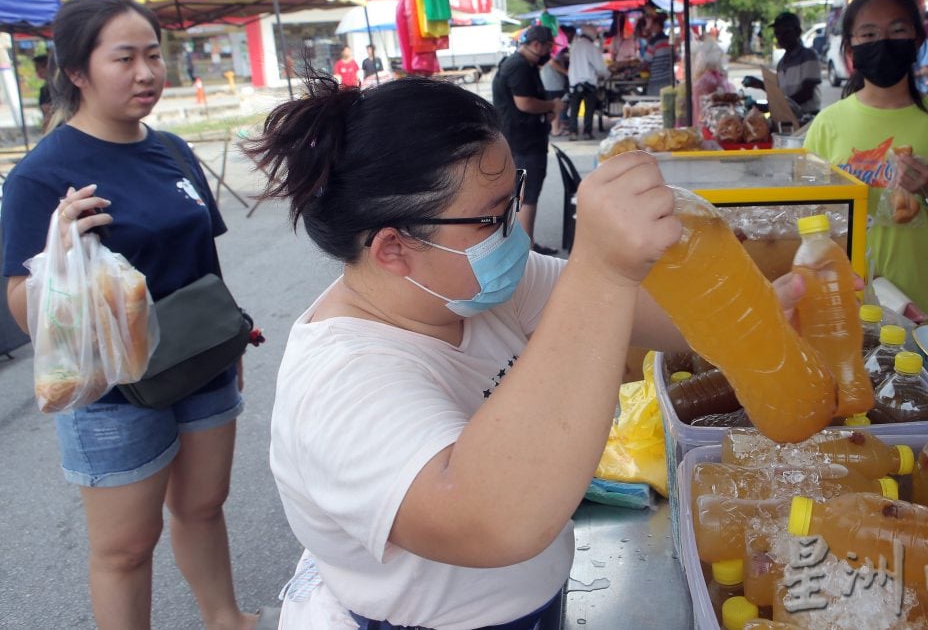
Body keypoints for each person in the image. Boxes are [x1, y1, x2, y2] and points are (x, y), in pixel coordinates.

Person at [241, 73, 808, 628]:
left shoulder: (475, 289)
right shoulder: (340, 385)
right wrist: (603, 268)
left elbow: (658, 318)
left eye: (513, 199)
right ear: (393, 248)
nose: (514, 233)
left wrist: (763, 310)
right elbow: (493, 520)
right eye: (491, 216)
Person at [0, 0, 269, 630]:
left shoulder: (173, 150)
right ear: (75, 71)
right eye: (125, 58)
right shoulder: (42, 177)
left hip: (199, 363)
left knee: (204, 506)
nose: (147, 72)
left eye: (153, 55)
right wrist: (58, 251)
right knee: (124, 548)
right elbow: (20, 308)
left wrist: (231, 342)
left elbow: (205, 258)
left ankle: (225, 618)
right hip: (113, 391)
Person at [804, 0, 928, 324]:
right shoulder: (827, 125)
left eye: (897, 30)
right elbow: (802, 216)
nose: (883, 41)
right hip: (840, 303)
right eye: (868, 33)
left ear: (917, 41)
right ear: (850, 47)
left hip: (917, 305)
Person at [491, 24, 564, 255]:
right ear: (535, 45)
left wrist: (547, 112)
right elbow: (525, 103)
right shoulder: (519, 66)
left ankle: (526, 245)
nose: (549, 53)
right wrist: (552, 105)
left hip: (524, 137)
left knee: (524, 193)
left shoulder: (523, 64)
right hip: (523, 141)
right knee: (527, 194)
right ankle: (526, 250)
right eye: (548, 48)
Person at [743, 12, 822, 116]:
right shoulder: (782, 63)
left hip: (807, 118)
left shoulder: (808, 56)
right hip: (787, 117)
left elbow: (806, 94)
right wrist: (762, 86)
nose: (781, 37)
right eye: (777, 33)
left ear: (797, 32)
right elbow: (782, 94)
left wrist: (775, 106)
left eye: (786, 32)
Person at [567, 24, 610, 140]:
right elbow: (600, 67)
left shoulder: (574, 45)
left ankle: (573, 132)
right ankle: (587, 132)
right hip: (589, 83)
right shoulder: (591, 47)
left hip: (575, 82)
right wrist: (607, 74)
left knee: (574, 109)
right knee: (589, 110)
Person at [539, 42, 569, 137]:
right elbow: (552, 63)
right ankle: (555, 130)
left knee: (555, 107)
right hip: (553, 85)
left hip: (550, 84)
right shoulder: (551, 56)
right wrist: (566, 72)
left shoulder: (544, 56)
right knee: (555, 107)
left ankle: (556, 128)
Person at [642, 16, 674, 96]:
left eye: (652, 25)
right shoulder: (669, 40)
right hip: (669, 79)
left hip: (657, 81)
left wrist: (635, 70)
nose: (650, 27)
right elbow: (675, 58)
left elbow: (646, 62)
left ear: (657, 25)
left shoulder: (653, 42)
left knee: (654, 105)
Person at [33, 53, 53, 131]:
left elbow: (48, 114)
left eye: (44, 66)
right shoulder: (45, 89)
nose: (39, 71)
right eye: (36, 68)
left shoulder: (57, 88)